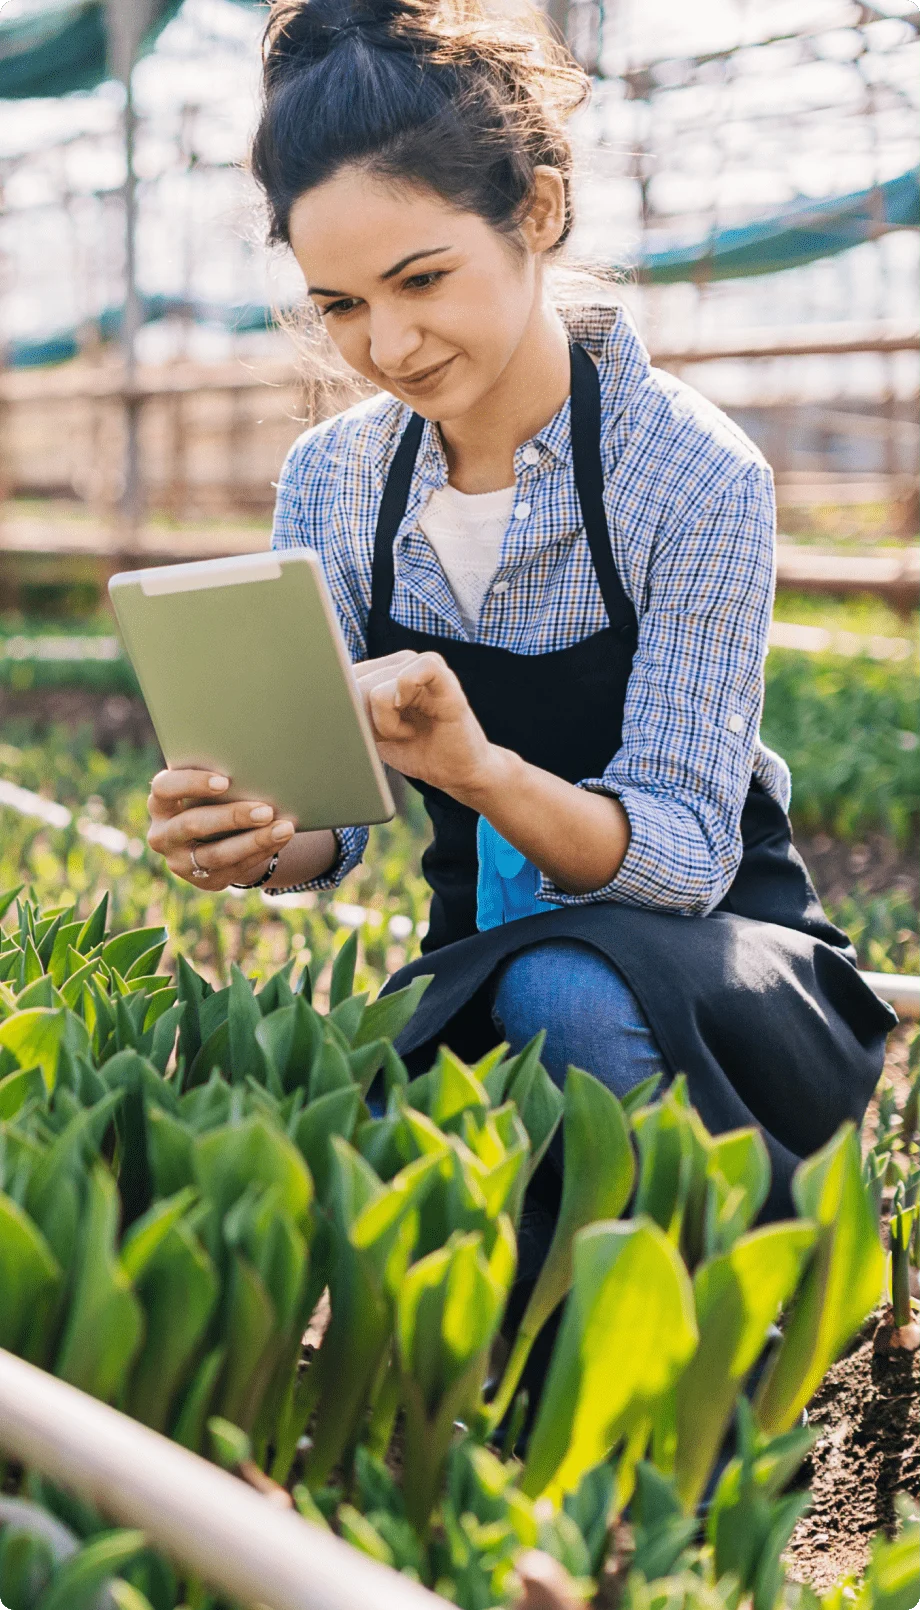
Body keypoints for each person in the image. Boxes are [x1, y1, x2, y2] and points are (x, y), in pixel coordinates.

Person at [145, 0, 894, 1216]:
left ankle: (700, 1305)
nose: (386, 340)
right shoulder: (334, 483)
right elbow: (330, 826)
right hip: (480, 953)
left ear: (537, 212)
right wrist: (252, 833)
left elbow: (689, 858)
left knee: (564, 988)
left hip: (714, 965)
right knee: (336, 1085)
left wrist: (481, 769)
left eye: (421, 277)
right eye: (340, 304)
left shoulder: (692, 473)